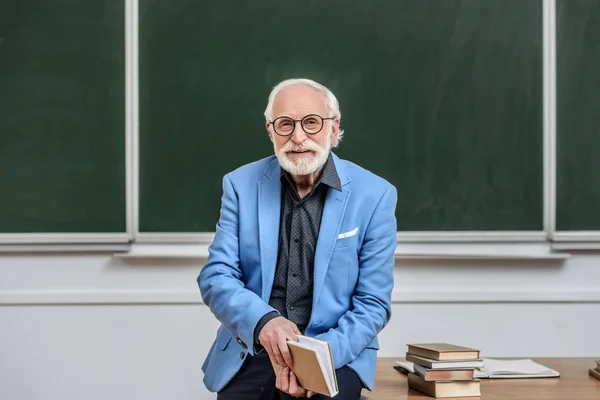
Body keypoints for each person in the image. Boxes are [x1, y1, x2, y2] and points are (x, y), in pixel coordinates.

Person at [198, 78, 397, 400]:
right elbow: (216, 276)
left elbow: (372, 303)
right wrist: (265, 322)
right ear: (270, 131)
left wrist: (318, 357)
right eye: (285, 124)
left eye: (311, 123)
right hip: (256, 347)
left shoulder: (375, 195)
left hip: (334, 350)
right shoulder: (239, 185)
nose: (298, 136)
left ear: (333, 129)